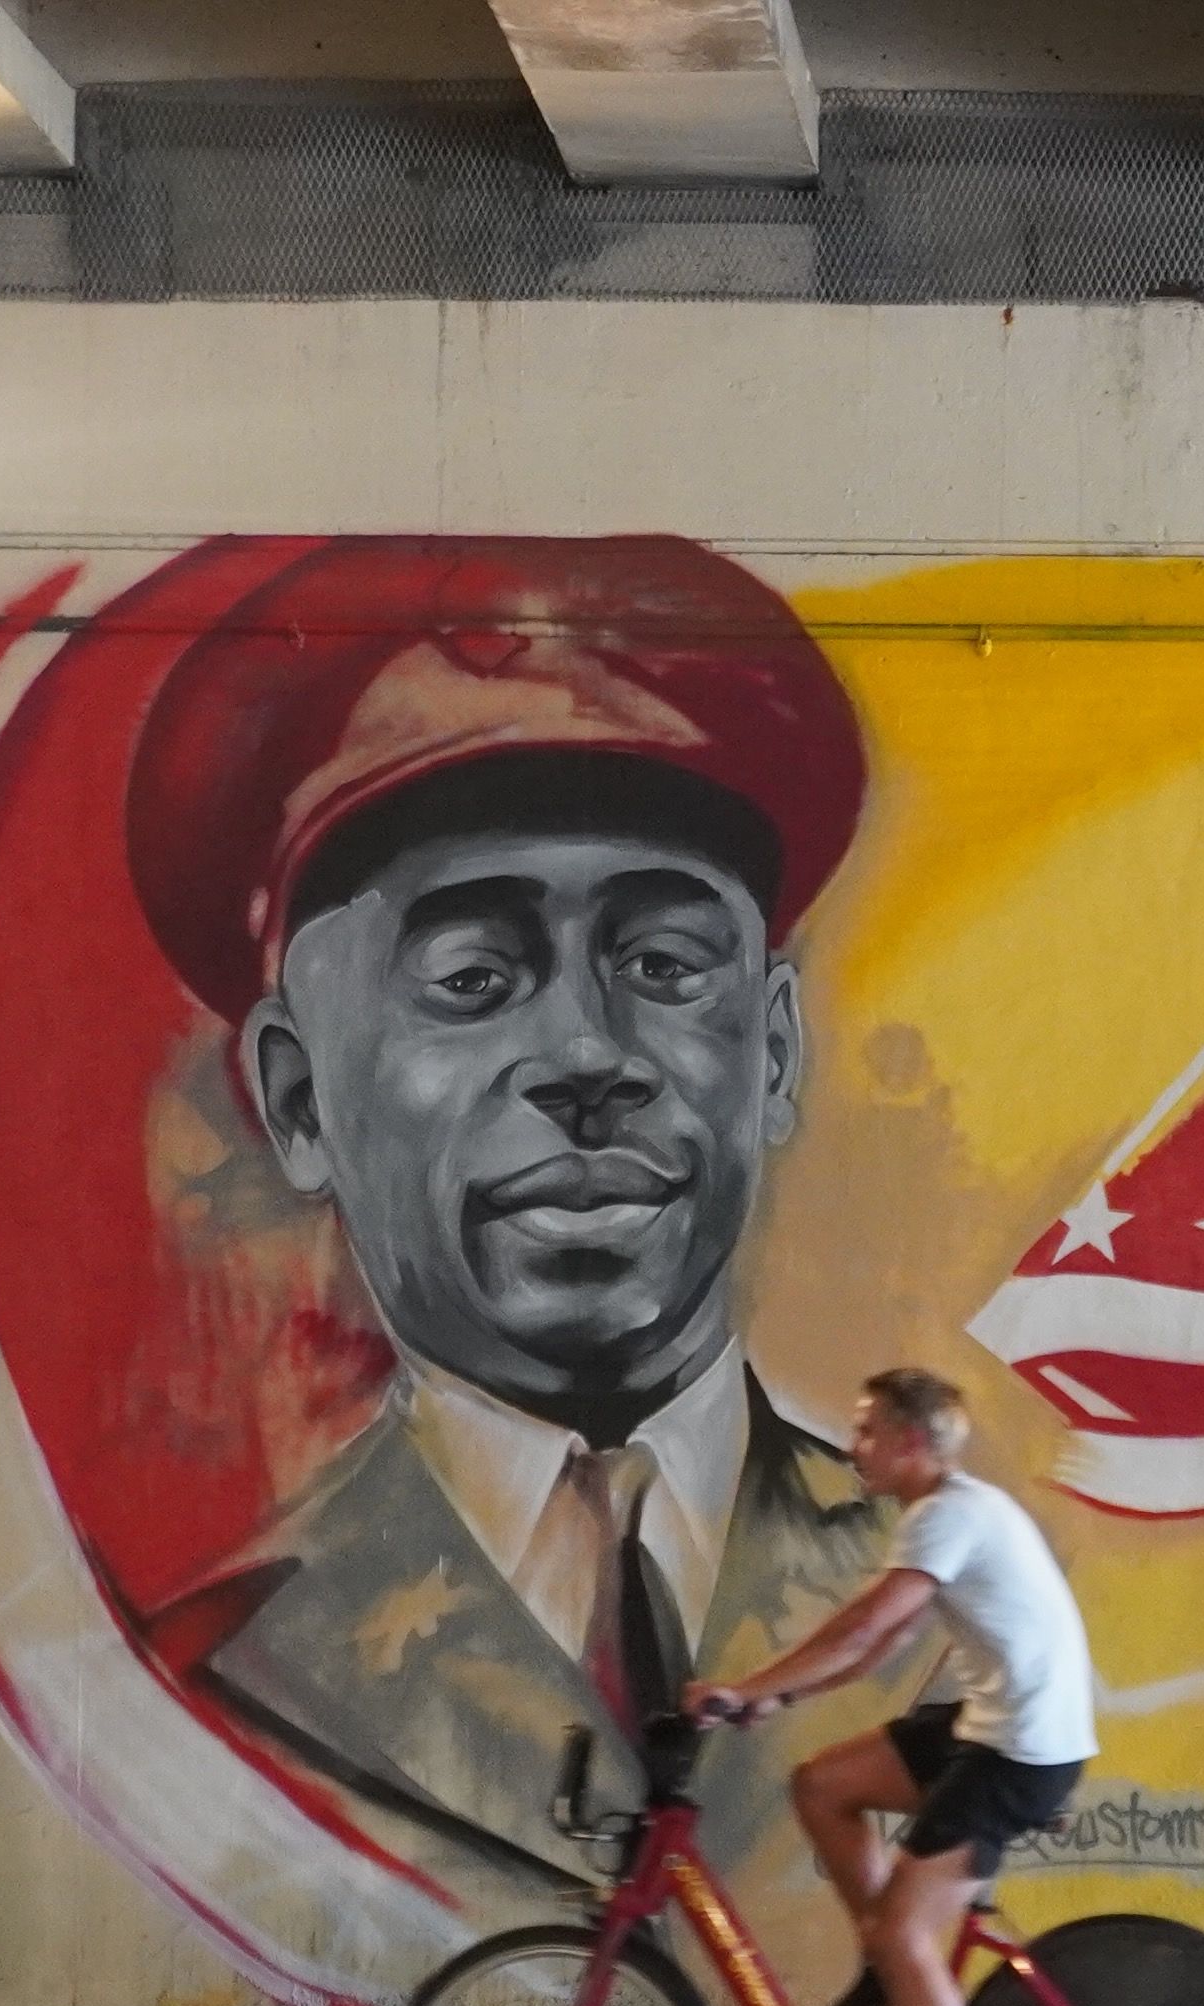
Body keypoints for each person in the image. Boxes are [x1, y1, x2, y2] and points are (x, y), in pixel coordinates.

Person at [120, 539, 901, 1907]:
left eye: (662, 964)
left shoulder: (917, 1567)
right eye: (474, 977)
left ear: (771, 1056)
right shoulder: (201, 1664)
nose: (588, 1055)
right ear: (298, 1100)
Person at [685, 1368, 1098, 2006]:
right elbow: (881, 1643)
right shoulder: (941, 1514)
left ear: (914, 1442)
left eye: (869, 1430)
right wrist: (776, 1696)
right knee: (824, 1784)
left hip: (1019, 1753)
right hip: (989, 1726)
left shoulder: (951, 1513)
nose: (851, 1444)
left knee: (913, 1925)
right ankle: (887, 1975)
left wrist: (742, 1685)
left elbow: (867, 1626)